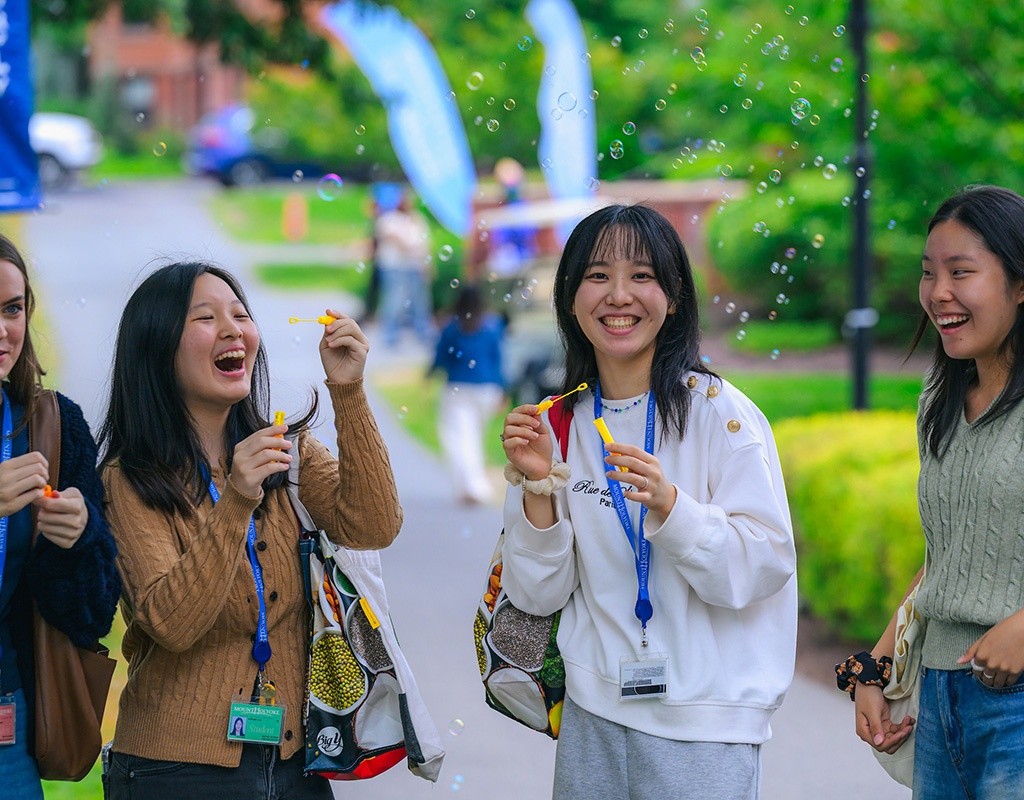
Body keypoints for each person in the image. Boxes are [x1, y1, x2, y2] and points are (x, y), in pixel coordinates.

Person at [499, 205, 797, 799]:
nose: (618, 296)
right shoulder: (559, 423)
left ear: (676, 296)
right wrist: (536, 488)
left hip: (705, 728)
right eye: (596, 275)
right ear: (568, 296)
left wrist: (671, 508)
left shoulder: (719, 412)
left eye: (642, 275)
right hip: (592, 718)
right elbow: (536, 594)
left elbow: (765, 562)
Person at [97, 261, 403, 798]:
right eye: (206, 318)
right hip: (172, 770)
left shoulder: (287, 453)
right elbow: (171, 623)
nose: (233, 329)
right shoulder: (128, 481)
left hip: (293, 763)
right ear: (157, 346)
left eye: (240, 314)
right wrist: (236, 498)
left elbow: (374, 524)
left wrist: (348, 391)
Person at [841, 185, 1024, 797]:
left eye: (961, 272)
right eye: (929, 273)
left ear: (1021, 285)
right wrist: (876, 662)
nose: (937, 292)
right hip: (940, 692)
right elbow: (945, 560)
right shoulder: (938, 402)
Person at [0, 234, 119, 798]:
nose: (3, 330)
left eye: (12, 309)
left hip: (8, 718)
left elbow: (93, 615)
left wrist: (83, 537)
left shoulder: (54, 425)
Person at [428, 284, 507, 505]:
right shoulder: (493, 326)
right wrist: (503, 388)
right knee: (474, 437)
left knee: (459, 438)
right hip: (487, 390)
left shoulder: (452, 327)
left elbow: (440, 357)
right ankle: (470, 485)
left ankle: (473, 486)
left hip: (457, 389)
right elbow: (499, 360)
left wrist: (429, 375)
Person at [375, 192, 433, 347]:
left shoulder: (418, 219)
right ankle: (390, 334)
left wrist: (427, 264)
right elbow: (389, 236)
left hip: (414, 266)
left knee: (419, 300)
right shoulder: (389, 219)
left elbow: (425, 244)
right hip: (394, 266)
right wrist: (407, 247)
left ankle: (422, 332)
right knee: (395, 300)